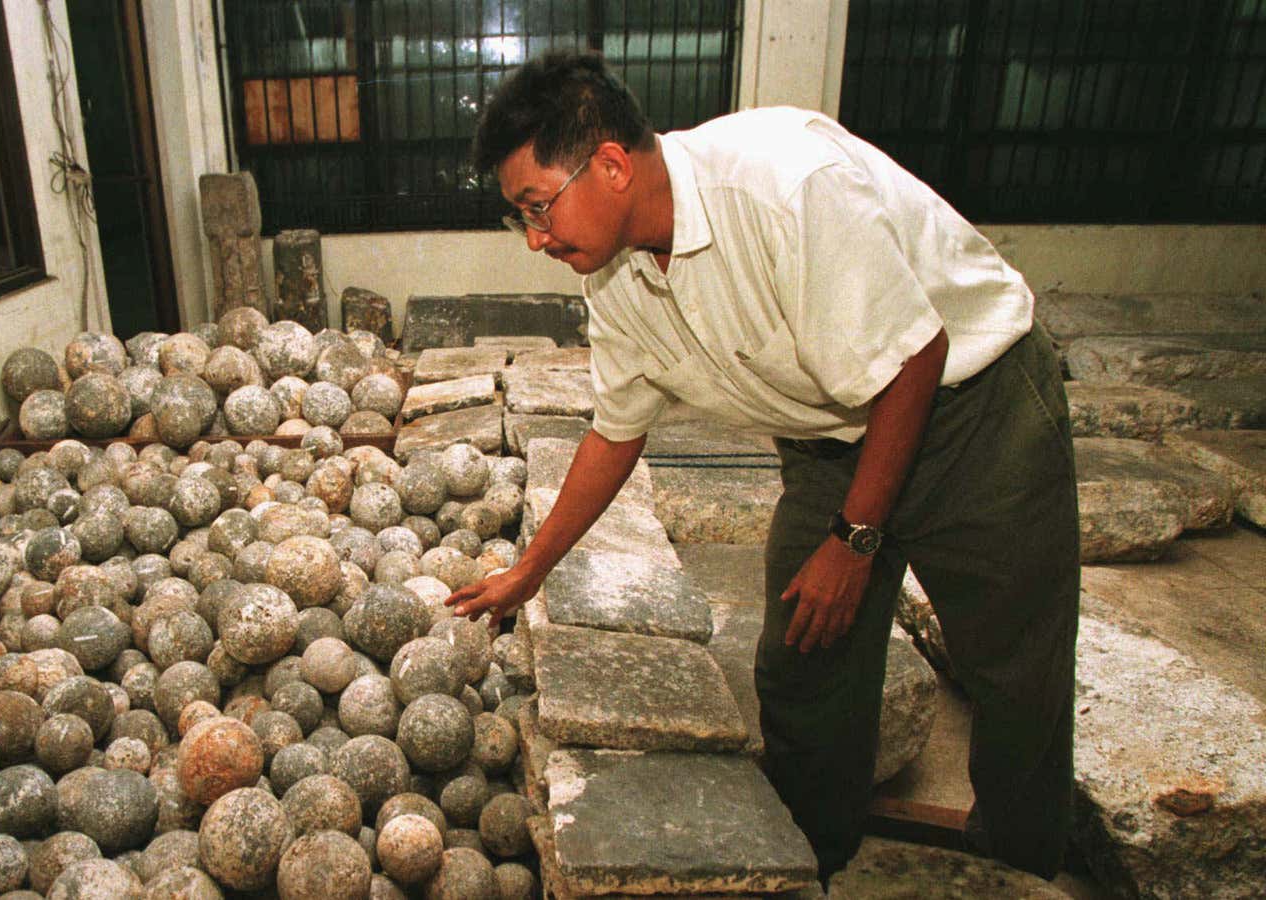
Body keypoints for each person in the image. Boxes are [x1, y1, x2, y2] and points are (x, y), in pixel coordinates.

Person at [445, 50, 1079, 883]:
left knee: (1013, 669)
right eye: (518, 218)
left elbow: (915, 356)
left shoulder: (784, 184)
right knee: (805, 660)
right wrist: (530, 569)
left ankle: (1021, 868)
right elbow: (615, 432)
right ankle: (807, 859)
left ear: (609, 164)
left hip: (975, 412)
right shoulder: (616, 279)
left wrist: (853, 542)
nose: (535, 239)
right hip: (830, 435)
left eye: (537, 208)